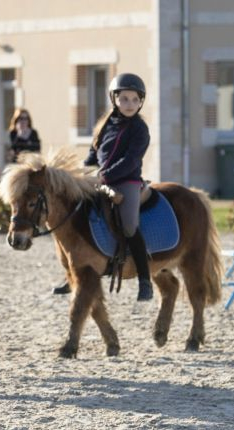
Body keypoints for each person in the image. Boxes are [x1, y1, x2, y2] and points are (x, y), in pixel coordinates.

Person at [83, 72, 153, 301]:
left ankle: (145, 280)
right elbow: (93, 153)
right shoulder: (104, 125)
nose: (129, 104)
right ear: (114, 99)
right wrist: (83, 172)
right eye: (124, 99)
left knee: (130, 225)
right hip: (99, 179)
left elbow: (131, 160)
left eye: (134, 99)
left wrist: (105, 176)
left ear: (140, 101)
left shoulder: (140, 130)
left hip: (127, 182)